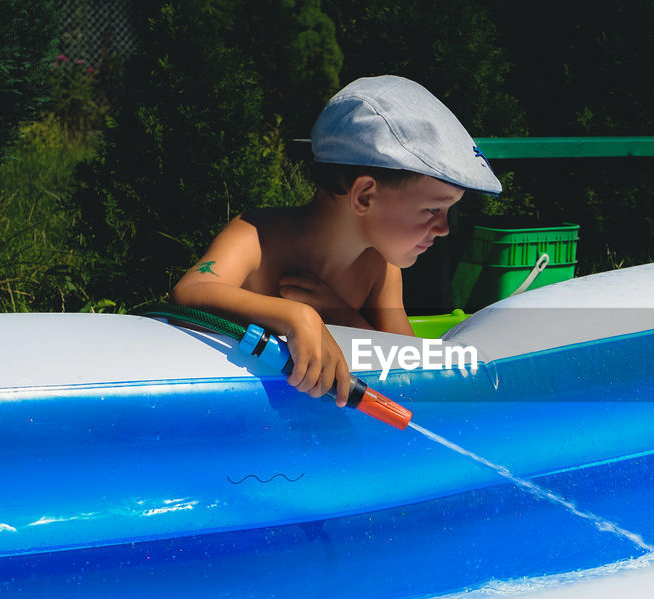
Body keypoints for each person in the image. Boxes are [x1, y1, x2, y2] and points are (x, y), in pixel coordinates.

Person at [171, 75, 502, 406]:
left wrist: (343, 316)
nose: (444, 228)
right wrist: (298, 317)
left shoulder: (380, 269)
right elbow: (189, 294)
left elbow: (413, 371)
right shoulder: (255, 236)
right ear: (364, 196)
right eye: (432, 209)